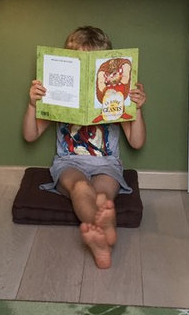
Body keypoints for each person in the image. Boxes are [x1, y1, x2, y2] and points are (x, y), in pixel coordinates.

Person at [23, 26, 146, 269]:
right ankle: (103, 232)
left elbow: (136, 142)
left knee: (102, 195)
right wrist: (32, 104)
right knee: (79, 187)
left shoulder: (116, 97)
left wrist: (137, 108)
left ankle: (100, 234)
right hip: (69, 164)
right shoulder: (56, 97)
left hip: (106, 165)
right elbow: (30, 135)